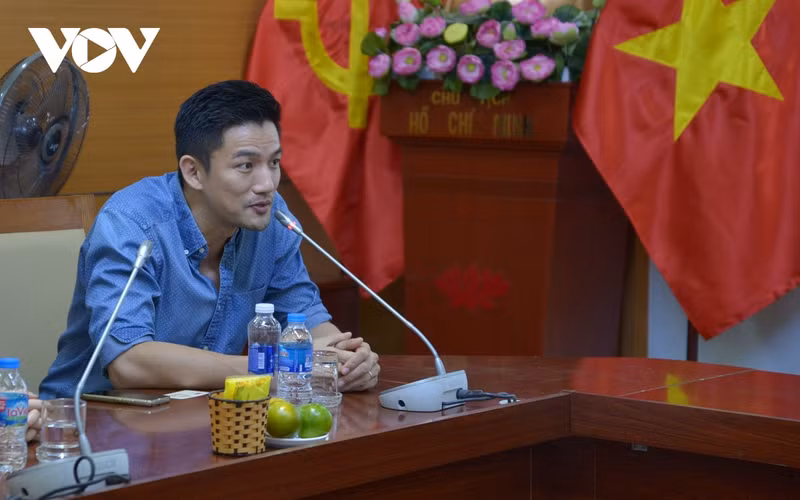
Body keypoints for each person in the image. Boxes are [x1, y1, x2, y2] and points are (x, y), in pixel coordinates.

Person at [38, 80, 380, 399]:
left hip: (204, 418)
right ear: (194, 172)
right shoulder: (132, 223)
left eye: (274, 162)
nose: (267, 183)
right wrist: (272, 371)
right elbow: (128, 362)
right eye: (246, 166)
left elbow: (305, 319)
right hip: (89, 425)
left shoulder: (271, 217)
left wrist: (346, 360)